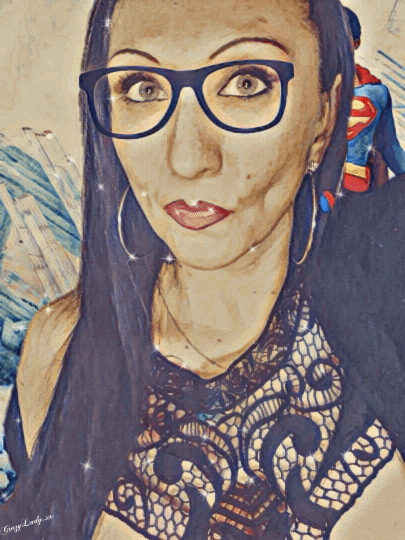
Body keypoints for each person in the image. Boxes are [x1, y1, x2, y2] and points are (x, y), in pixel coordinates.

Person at [2, 0, 405, 539]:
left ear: (324, 117)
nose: (188, 160)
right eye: (143, 87)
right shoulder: (58, 348)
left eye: (246, 83)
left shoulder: (385, 312)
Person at [343, 7, 405, 192]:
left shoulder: (376, 93)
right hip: (315, 189)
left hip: (356, 192)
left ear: (356, 43)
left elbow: (390, 147)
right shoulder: (309, 88)